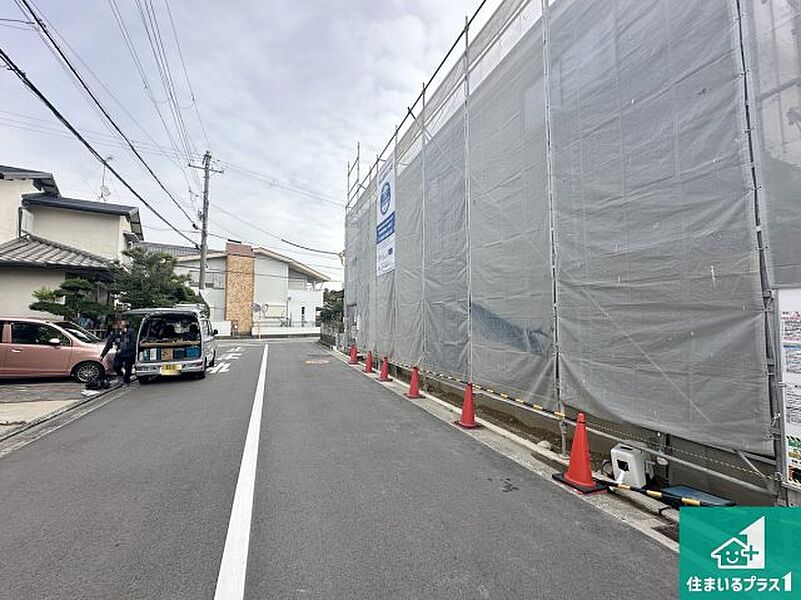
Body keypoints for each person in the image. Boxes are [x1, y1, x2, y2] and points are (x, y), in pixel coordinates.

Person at [101, 319, 137, 385]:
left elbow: (133, 343)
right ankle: (120, 375)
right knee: (116, 366)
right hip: (120, 353)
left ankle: (126, 381)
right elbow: (108, 345)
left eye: (121, 325)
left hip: (130, 353)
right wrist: (102, 355)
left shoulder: (131, 332)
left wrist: (124, 349)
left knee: (128, 367)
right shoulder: (115, 333)